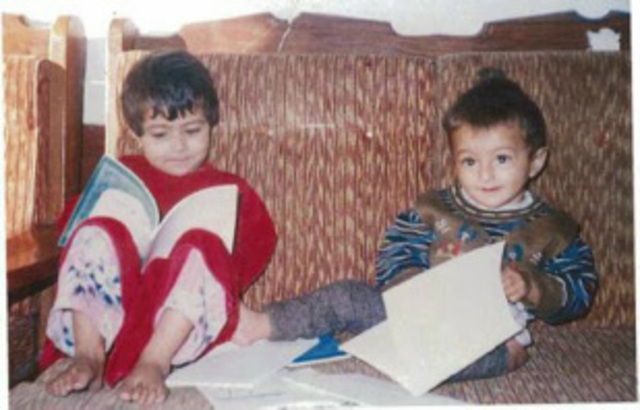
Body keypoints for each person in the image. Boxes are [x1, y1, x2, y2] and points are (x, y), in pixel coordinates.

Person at [234, 67, 598, 382]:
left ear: (535, 161)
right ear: (454, 161)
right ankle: (262, 324)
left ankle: (502, 359)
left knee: (454, 359)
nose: (485, 174)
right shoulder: (434, 210)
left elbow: (580, 290)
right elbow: (397, 249)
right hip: (414, 313)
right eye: (470, 161)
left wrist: (531, 287)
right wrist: (408, 284)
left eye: (502, 159)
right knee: (347, 295)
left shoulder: (552, 228)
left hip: (480, 336)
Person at [41, 50, 277, 405]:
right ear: (138, 134)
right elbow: (70, 233)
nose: (178, 146)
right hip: (113, 309)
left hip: (178, 325)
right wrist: (99, 220)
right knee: (94, 230)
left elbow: (259, 244)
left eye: (192, 130)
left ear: (211, 125)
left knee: (204, 247)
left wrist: (218, 261)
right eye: (160, 134)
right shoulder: (123, 174)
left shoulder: (228, 189)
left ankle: (153, 362)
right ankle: (89, 355)